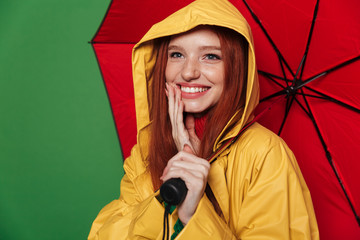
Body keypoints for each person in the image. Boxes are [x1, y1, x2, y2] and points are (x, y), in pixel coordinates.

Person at [88, 0, 319, 239]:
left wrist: (196, 210)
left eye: (210, 56)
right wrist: (166, 199)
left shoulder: (266, 155)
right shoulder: (146, 150)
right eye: (176, 54)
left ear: (237, 67)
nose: (188, 72)